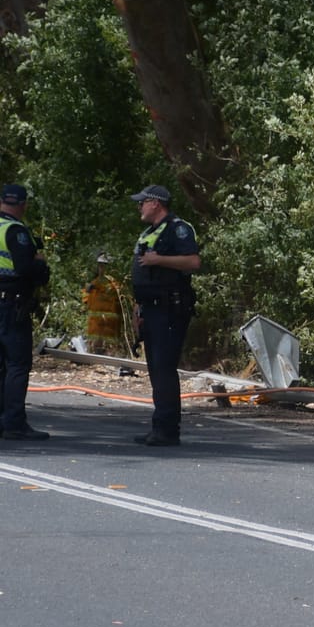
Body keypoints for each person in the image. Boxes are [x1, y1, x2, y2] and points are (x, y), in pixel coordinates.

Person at [129, 184, 200, 447]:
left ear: (155, 203)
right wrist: (139, 307)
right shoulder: (151, 231)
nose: (139, 206)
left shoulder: (178, 229)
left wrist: (160, 260)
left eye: (142, 202)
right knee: (156, 370)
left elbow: (193, 262)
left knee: (164, 370)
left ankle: (168, 430)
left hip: (170, 309)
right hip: (151, 308)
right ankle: (159, 427)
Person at [0, 183, 51, 440]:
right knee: (17, 364)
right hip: (11, 304)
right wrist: (41, 265)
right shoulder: (16, 230)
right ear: (22, 204)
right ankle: (14, 423)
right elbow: (25, 268)